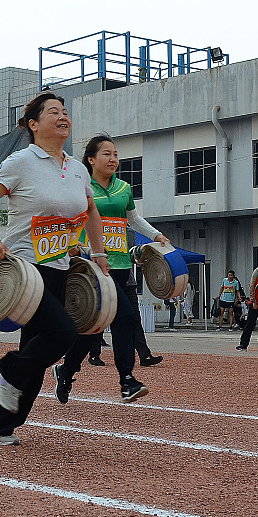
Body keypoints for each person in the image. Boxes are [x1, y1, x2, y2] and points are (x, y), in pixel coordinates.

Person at [0, 94, 148, 439]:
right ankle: (8, 370)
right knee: (63, 333)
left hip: (60, 269)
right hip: (25, 269)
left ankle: (1, 421)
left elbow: (91, 212)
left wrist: (99, 254)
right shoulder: (20, 161)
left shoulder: (75, 168)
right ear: (33, 124)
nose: (62, 117)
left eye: (65, 113)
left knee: (37, 354)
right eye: (53, 112)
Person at [54, 135, 164, 380]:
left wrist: (157, 236)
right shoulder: (81, 189)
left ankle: (67, 369)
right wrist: (72, 244)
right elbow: (65, 220)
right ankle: (127, 378)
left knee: (97, 328)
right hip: (94, 266)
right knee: (123, 316)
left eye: (115, 154)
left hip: (122, 265)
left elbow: (133, 220)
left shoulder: (124, 189)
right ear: (91, 159)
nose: (113, 159)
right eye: (107, 154)